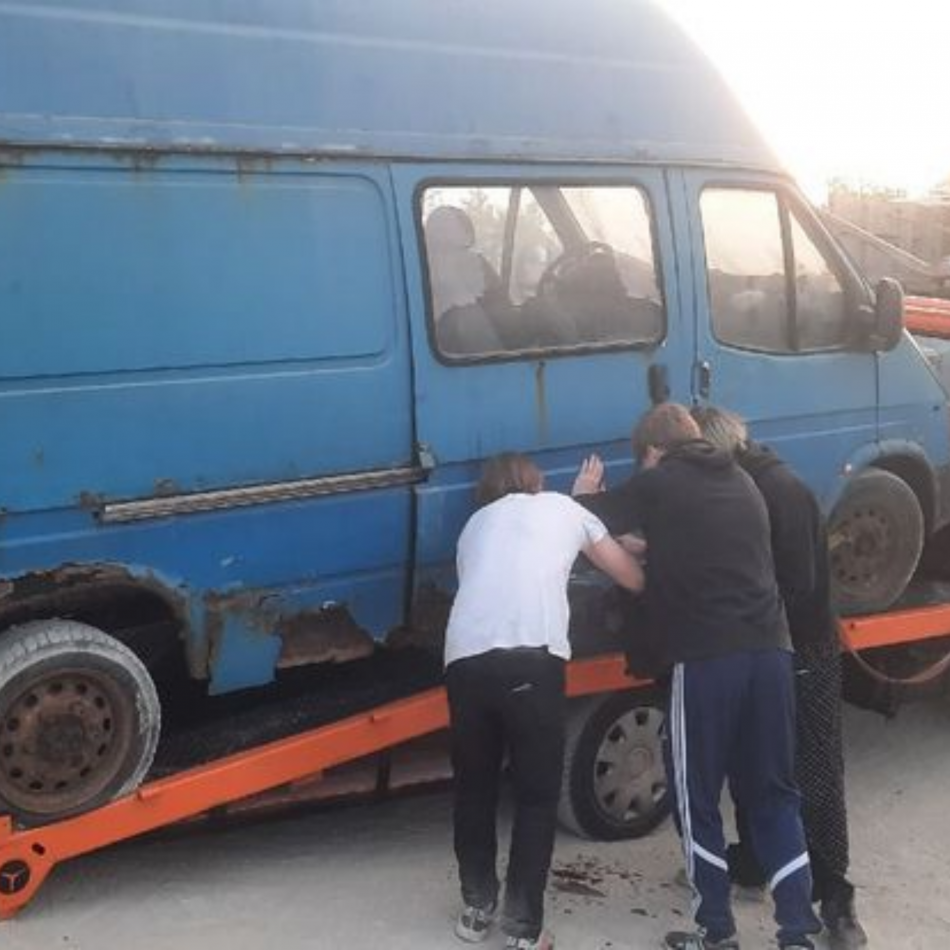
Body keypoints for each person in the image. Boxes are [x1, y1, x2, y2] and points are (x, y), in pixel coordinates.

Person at [572, 403, 821, 950]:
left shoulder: (661, 480)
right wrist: (646, 544)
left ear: (654, 452)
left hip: (709, 658)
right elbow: (697, 547)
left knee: (696, 795)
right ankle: (797, 930)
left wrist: (583, 493)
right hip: (771, 651)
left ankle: (716, 930)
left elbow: (592, 521)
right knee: (775, 793)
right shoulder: (742, 482)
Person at [445, 452, 644, 950]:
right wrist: (590, 506)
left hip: (464, 661)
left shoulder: (473, 526)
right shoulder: (563, 507)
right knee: (535, 797)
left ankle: (476, 909)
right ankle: (522, 929)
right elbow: (631, 576)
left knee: (474, 789)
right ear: (535, 481)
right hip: (531, 658)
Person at [692, 405, 867, 950]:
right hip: (760, 647)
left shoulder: (779, 491)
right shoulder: (740, 484)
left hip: (803, 646)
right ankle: (753, 859)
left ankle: (834, 896)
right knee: (753, 761)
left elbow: (797, 583)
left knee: (814, 771)